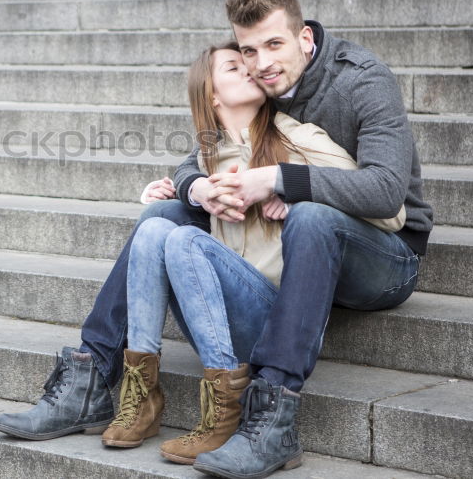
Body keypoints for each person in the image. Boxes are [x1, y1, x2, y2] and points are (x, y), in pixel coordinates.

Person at [0, 0, 432, 479]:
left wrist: (279, 181)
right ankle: (90, 379)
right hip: (297, 254)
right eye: (248, 51)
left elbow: (385, 192)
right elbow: (206, 150)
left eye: (274, 44)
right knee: (164, 216)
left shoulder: (362, 80)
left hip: (383, 252)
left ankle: (273, 417)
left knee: (311, 215)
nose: (263, 64)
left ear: (304, 37)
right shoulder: (259, 89)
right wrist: (192, 188)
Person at [96, 43, 404, 466]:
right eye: (233, 65)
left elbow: (391, 213)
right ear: (212, 95)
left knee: (183, 240)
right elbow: (187, 179)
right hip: (220, 319)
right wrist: (176, 190)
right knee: (154, 227)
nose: (250, 69)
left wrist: (300, 197)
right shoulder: (206, 160)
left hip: (279, 320)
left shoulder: (298, 137)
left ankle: (224, 409)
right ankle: (142, 395)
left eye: (249, 64)